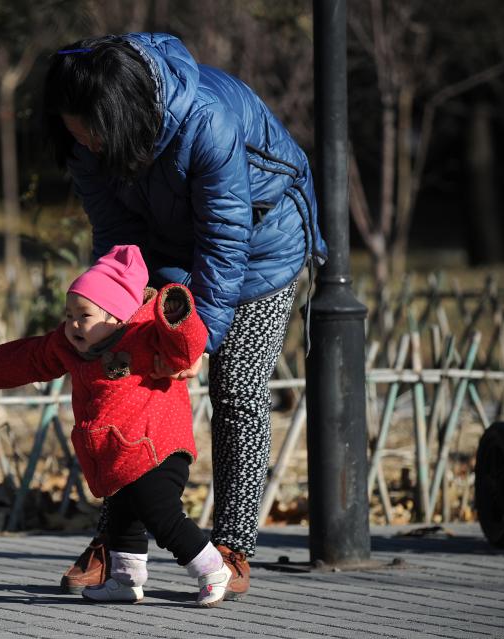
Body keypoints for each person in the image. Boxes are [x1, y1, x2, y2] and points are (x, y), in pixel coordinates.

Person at [44, 33, 327, 599]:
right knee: (124, 381)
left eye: (91, 134)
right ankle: (119, 542)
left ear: (120, 117)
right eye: (75, 133)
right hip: (168, 245)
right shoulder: (87, 140)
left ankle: (234, 545)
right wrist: (116, 308)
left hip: (260, 246)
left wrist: (194, 344)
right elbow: (116, 240)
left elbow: (225, 245)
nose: (84, 145)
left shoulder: (206, 122)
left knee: (237, 390)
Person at [0, 244, 235, 607]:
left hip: (156, 444)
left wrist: (176, 314)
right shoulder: (70, 345)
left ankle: (211, 568)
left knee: (160, 514)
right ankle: (125, 580)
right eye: (68, 315)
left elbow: (185, 348)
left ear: (117, 315)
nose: (72, 325)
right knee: (122, 517)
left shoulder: (146, 335)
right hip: (115, 450)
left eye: (83, 315)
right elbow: (33, 357)